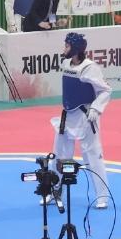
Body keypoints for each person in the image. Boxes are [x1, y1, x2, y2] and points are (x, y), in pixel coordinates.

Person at [44, 33, 111, 209]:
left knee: (93, 156)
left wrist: (96, 108)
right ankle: (54, 191)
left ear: (75, 48)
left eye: (67, 46)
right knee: (59, 155)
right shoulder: (66, 64)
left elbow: (106, 90)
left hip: (85, 115)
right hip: (67, 115)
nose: (64, 49)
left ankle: (102, 196)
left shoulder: (90, 68)